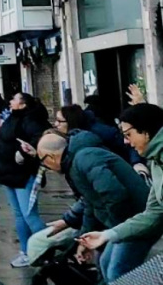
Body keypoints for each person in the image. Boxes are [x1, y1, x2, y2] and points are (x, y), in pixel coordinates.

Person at [37, 130, 152, 281]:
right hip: (126, 220)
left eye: (43, 161)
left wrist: (115, 231)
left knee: (117, 271)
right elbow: (91, 203)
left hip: (138, 219)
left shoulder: (84, 159)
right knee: (105, 264)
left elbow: (114, 195)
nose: (45, 166)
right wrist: (84, 240)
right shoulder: (76, 162)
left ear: (51, 157)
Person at [79, 104, 163, 273]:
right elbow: (153, 213)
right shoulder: (155, 162)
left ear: (146, 132)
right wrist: (107, 235)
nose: (126, 141)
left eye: (128, 134)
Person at [0, 66, 50, 268]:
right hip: (7, 174)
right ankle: (26, 251)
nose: (10, 101)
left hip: (23, 176)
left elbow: (40, 139)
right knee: (20, 215)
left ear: (23, 104)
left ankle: (48, 250)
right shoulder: (10, 116)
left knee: (30, 216)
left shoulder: (30, 120)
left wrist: (23, 153)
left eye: (14, 99)